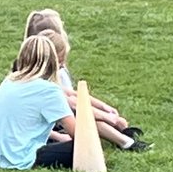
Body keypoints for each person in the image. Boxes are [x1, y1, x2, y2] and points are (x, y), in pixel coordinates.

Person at [24, 9, 148, 150]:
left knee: (92, 116)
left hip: (60, 118)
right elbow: (72, 104)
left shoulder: (42, 71)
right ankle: (126, 142)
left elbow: (72, 94)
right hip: (53, 124)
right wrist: (108, 117)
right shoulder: (41, 79)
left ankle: (123, 137)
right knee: (87, 119)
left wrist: (104, 108)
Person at [0, 35, 77, 170]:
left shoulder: (9, 80)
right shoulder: (49, 90)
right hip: (19, 158)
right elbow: (78, 134)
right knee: (82, 146)